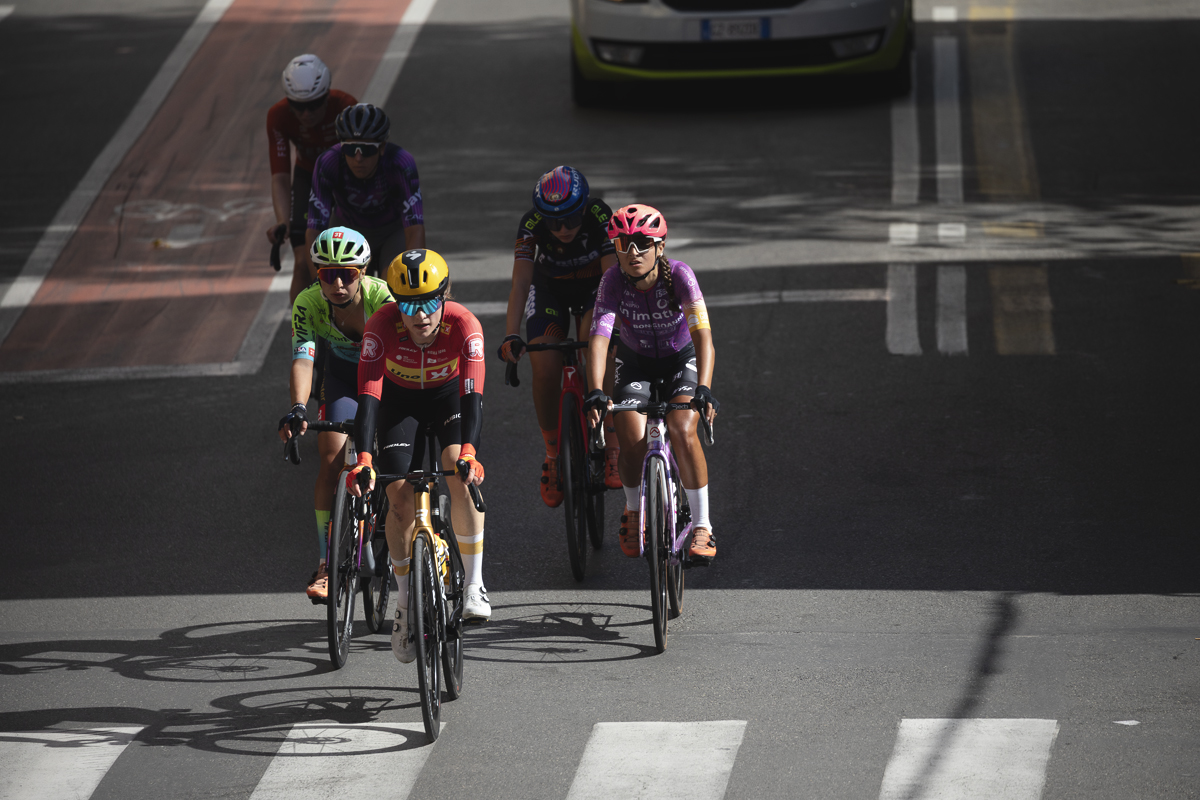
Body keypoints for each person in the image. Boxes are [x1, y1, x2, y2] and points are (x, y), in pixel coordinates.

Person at [345, 249, 489, 663]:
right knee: (398, 499)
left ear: (446, 295)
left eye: (429, 302)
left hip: (449, 401)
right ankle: (406, 606)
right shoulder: (380, 327)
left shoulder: (464, 325)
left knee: (461, 478)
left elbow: (473, 393)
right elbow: (368, 398)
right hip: (398, 403)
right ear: (394, 302)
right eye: (408, 304)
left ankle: (475, 584)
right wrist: (365, 459)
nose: (420, 314)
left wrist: (469, 452)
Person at [583, 205, 719, 561]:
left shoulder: (680, 276)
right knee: (629, 433)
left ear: (660, 247)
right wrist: (596, 391)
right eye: (624, 243)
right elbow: (599, 338)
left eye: (643, 243)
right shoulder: (611, 280)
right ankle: (632, 510)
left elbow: (703, 336)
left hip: (679, 359)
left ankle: (703, 526)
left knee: (682, 426)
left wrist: (703, 388)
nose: (633, 252)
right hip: (636, 362)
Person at [277, 227, 395, 600]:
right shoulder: (308, 303)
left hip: (389, 374)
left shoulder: (383, 297)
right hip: (343, 375)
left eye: (348, 274)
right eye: (329, 274)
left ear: (364, 272)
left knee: (395, 464)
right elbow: (303, 359)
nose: (339, 283)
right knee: (330, 461)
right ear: (318, 275)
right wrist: (298, 407)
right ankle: (327, 563)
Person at [496, 166, 620, 508]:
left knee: (598, 348)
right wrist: (511, 333)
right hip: (550, 292)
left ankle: (612, 443)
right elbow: (521, 283)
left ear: (582, 209)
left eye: (568, 219)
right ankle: (553, 455)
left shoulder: (599, 215)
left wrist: (613, 327)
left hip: (596, 290)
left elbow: (612, 277)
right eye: (552, 222)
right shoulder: (531, 225)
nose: (562, 229)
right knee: (545, 367)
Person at [265, 54, 358, 303]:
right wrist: (283, 221)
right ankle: (301, 333)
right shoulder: (278, 115)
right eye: (298, 106)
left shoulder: (345, 106)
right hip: (308, 176)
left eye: (315, 105)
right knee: (302, 263)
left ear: (327, 95)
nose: (306, 114)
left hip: (345, 178)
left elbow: (361, 162)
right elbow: (281, 177)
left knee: (349, 258)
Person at [306, 103, 425, 280]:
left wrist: (413, 281)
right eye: (350, 149)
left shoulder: (400, 163)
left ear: (382, 148)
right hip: (348, 230)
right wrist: (321, 282)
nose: (358, 158)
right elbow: (314, 231)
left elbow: (415, 229)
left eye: (367, 150)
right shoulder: (328, 162)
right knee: (344, 288)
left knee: (391, 288)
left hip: (392, 232)